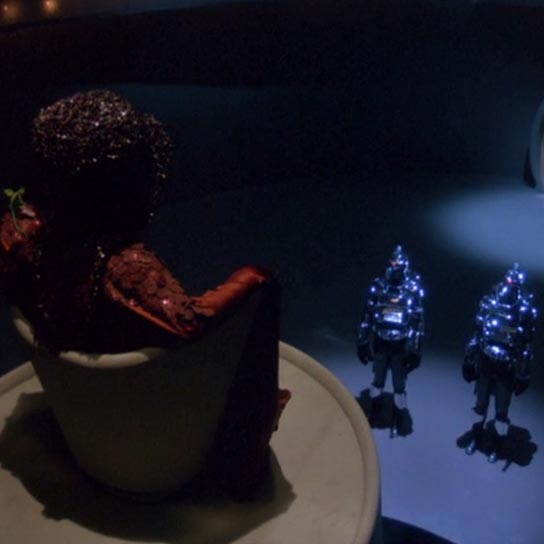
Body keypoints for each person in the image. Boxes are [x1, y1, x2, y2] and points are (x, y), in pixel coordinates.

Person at [0, 89, 289, 496]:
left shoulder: (19, 237)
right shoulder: (124, 271)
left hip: (84, 421)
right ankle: (241, 460)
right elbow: (188, 322)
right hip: (157, 426)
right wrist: (254, 282)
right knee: (260, 285)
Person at [463, 263, 537, 462]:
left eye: (515, 284)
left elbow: (527, 344)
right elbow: (477, 332)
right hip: (486, 361)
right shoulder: (490, 302)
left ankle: (496, 445)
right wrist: (469, 358)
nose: (510, 287)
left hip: (507, 365)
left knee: (501, 412)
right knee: (480, 406)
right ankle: (476, 437)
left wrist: (523, 373)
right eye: (509, 282)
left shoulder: (525, 309)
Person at [357, 245, 424, 436]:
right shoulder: (379, 286)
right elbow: (367, 314)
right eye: (393, 266)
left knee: (398, 383)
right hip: (381, 341)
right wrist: (362, 341)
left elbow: (418, 322)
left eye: (399, 267)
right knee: (378, 379)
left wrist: (416, 350)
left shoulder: (413, 288)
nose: (396, 271)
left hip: (401, 344)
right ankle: (375, 409)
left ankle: (399, 413)